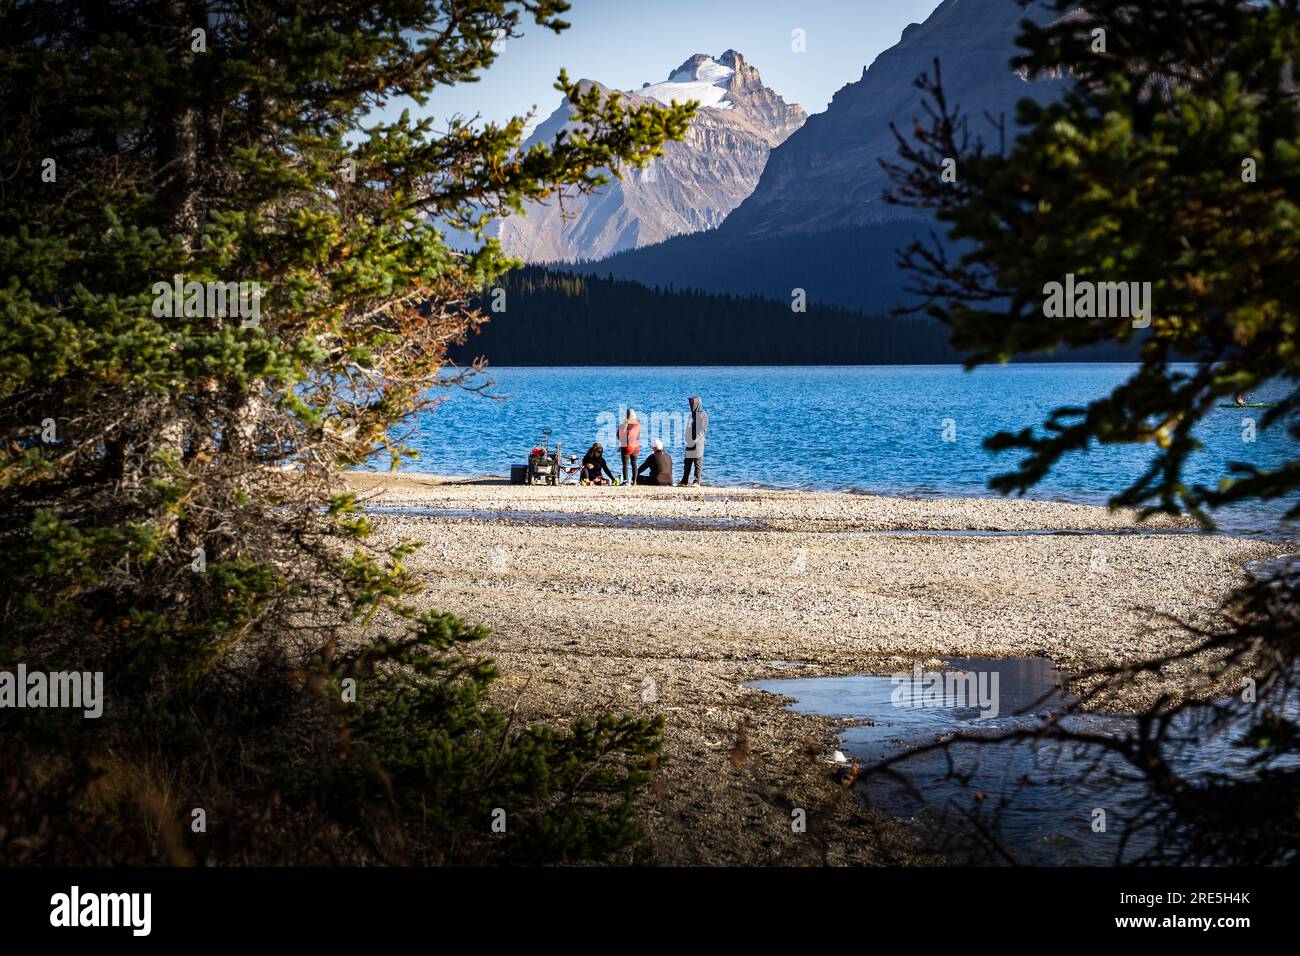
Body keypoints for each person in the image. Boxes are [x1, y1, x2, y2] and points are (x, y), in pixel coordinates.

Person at [679, 395, 708, 486]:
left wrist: (695, 440)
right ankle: (684, 480)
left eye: (692, 403)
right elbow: (688, 428)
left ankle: (697, 481)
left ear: (697, 404)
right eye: (690, 403)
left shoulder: (703, 415)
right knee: (687, 462)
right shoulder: (691, 415)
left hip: (698, 443)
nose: (690, 405)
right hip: (690, 442)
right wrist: (687, 438)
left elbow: (702, 429)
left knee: (697, 462)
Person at [617, 409, 641, 484]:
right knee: (634, 464)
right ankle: (634, 481)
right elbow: (638, 437)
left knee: (625, 465)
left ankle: (626, 481)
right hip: (636, 446)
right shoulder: (638, 424)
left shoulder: (623, 425)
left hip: (627, 447)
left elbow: (618, 436)